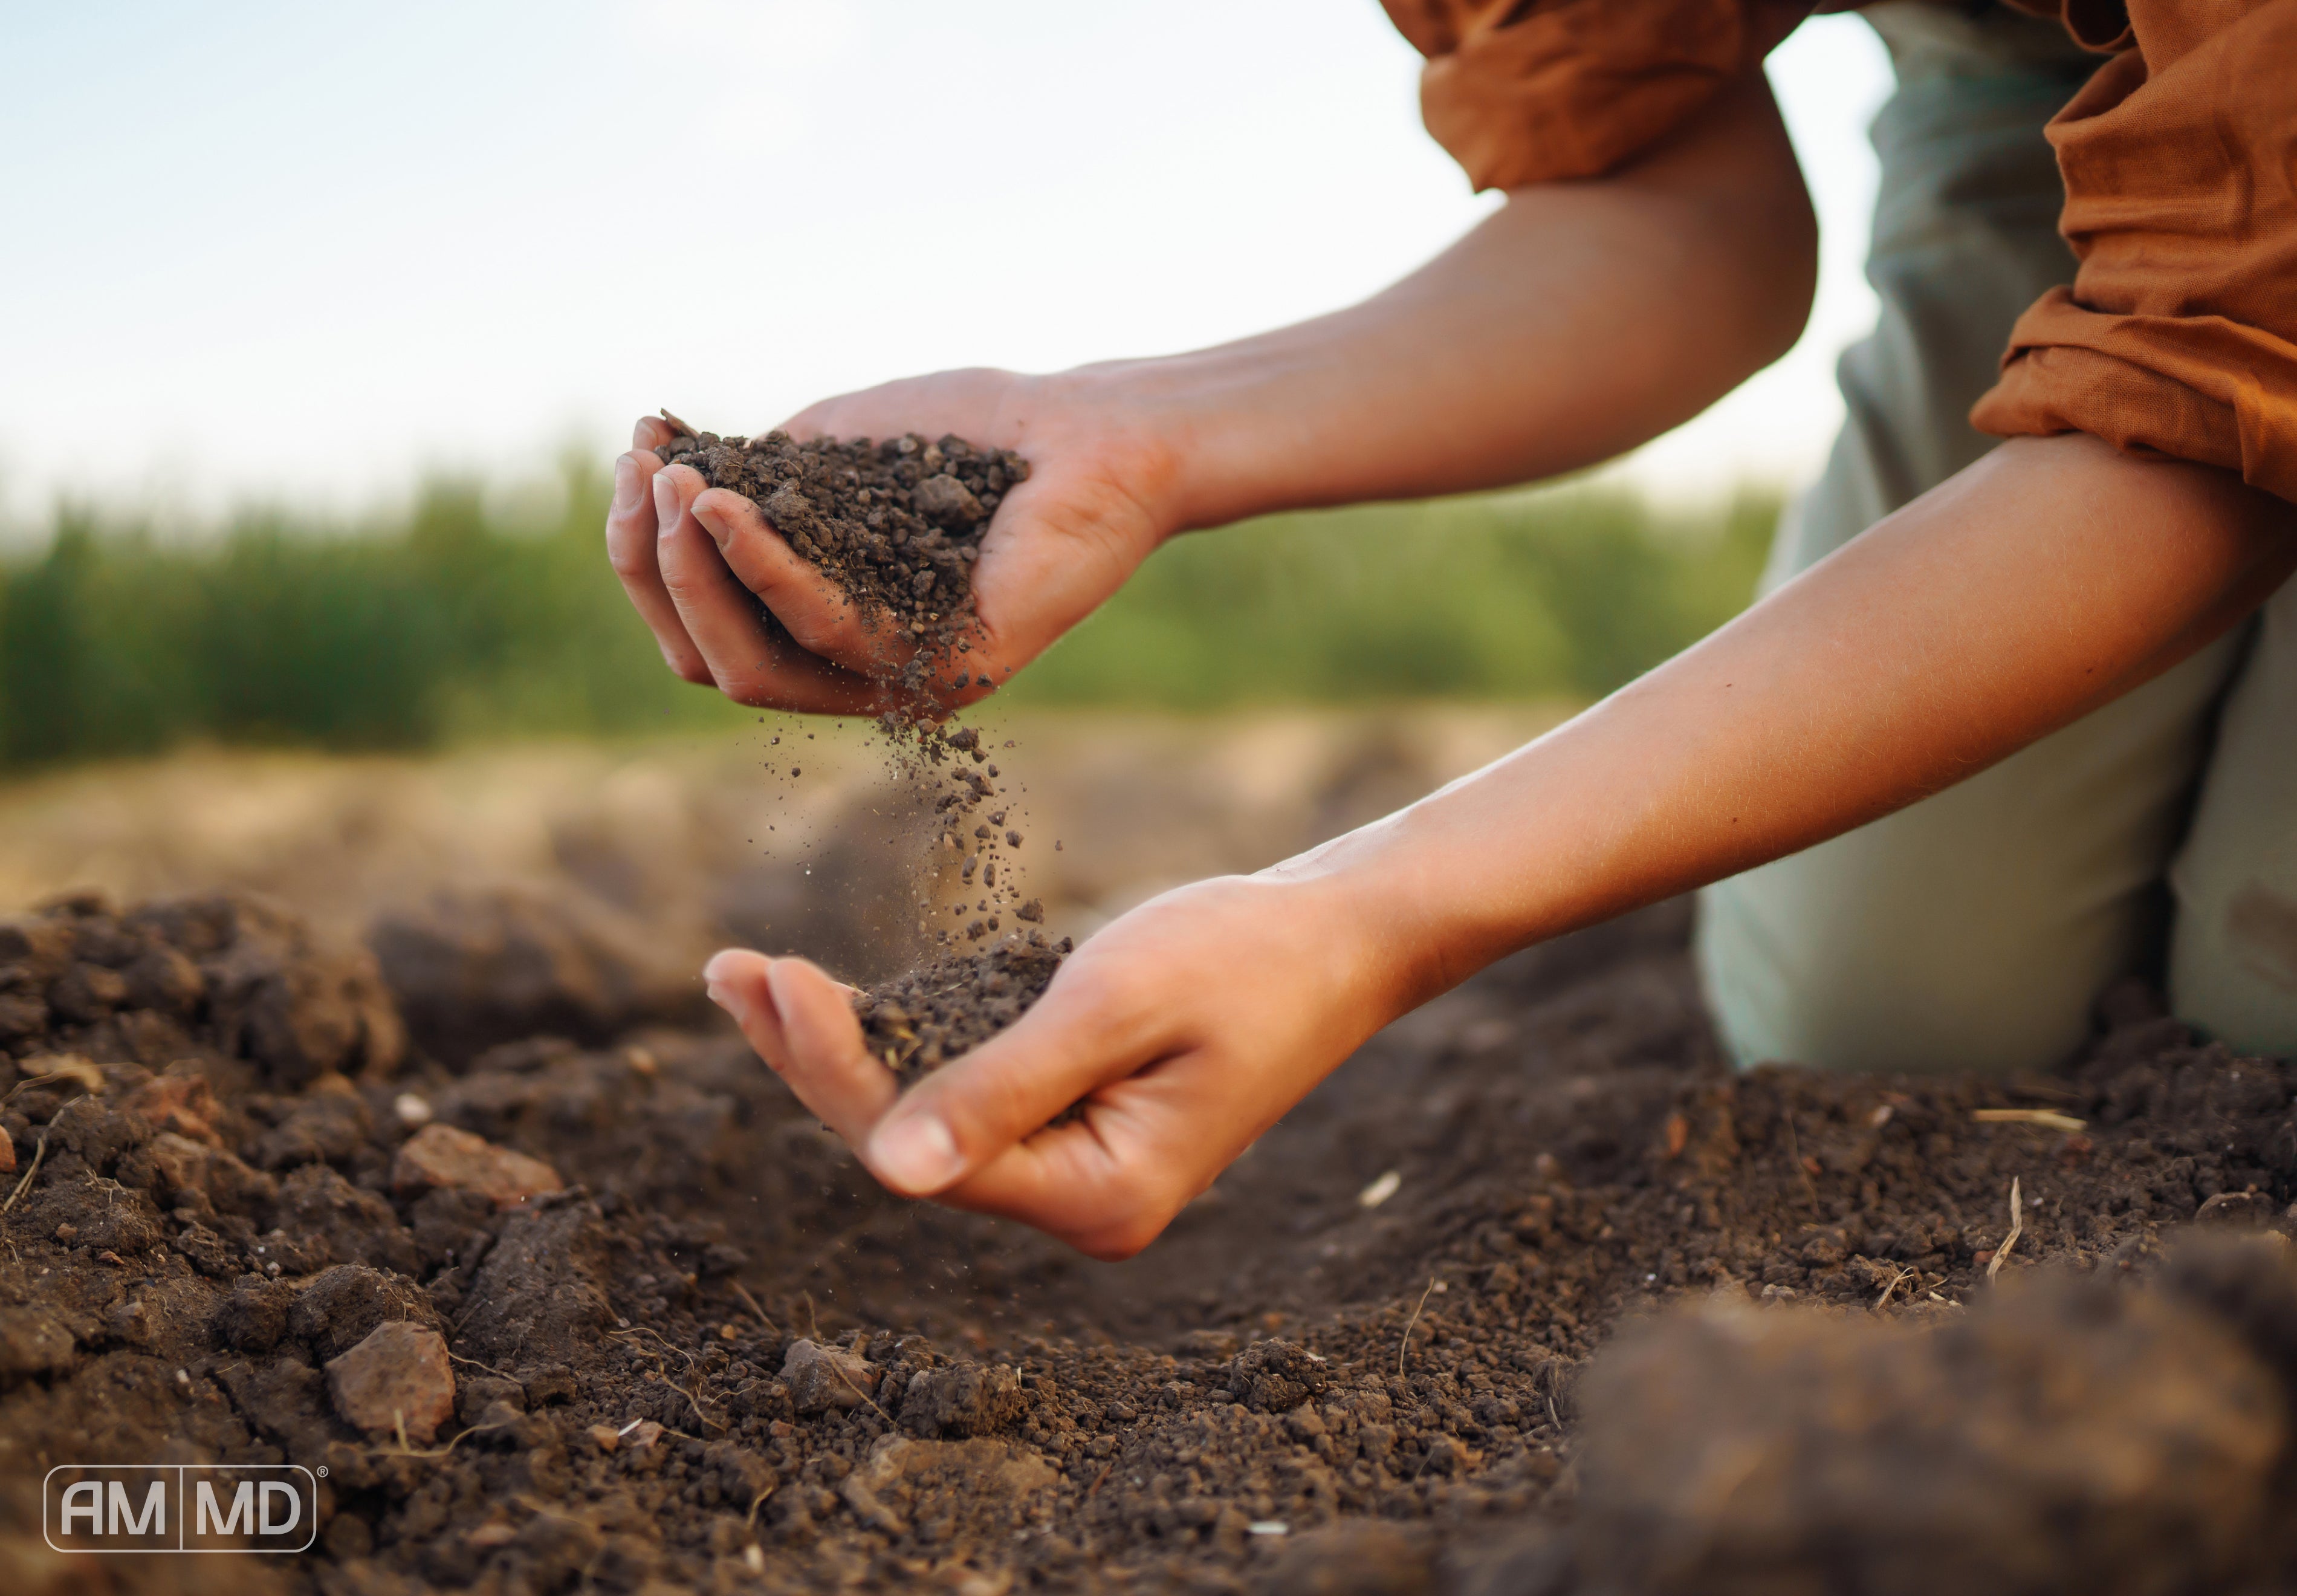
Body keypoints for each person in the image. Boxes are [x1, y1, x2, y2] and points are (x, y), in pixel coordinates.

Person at [607, 0, 2296, 1260]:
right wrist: (1144, 436)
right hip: (2048, 93)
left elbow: (2210, 393)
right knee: (1893, 1018)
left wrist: (1375, 913)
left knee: (2262, 997)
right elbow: (1673, 220)